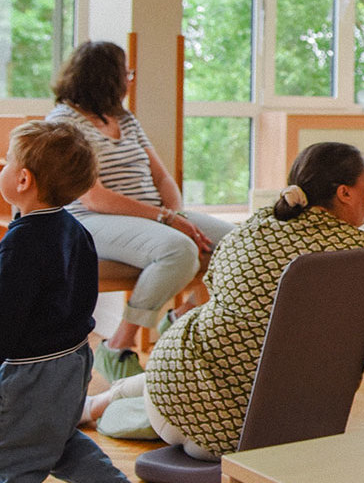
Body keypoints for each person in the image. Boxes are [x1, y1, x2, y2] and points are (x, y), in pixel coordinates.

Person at [81, 142, 364, 459]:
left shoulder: (251, 230)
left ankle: (96, 405)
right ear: (345, 193)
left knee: (202, 364)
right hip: (274, 433)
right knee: (216, 370)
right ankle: (99, 404)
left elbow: (215, 294)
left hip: (181, 399)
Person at [45, 41, 234, 384]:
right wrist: (165, 219)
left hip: (152, 215)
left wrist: (175, 215)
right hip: (92, 220)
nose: (130, 80)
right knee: (179, 250)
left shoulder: (124, 119)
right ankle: (118, 346)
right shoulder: (64, 121)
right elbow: (93, 197)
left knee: (239, 244)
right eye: (126, 73)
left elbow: (161, 176)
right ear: (106, 78)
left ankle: (182, 318)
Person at [0, 121, 133, 483]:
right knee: (52, 437)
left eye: (7, 162)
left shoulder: (21, 244)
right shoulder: (74, 229)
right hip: (74, 359)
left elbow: (7, 318)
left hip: (31, 371)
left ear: (23, 180)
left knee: (12, 456)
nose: (3, 167)